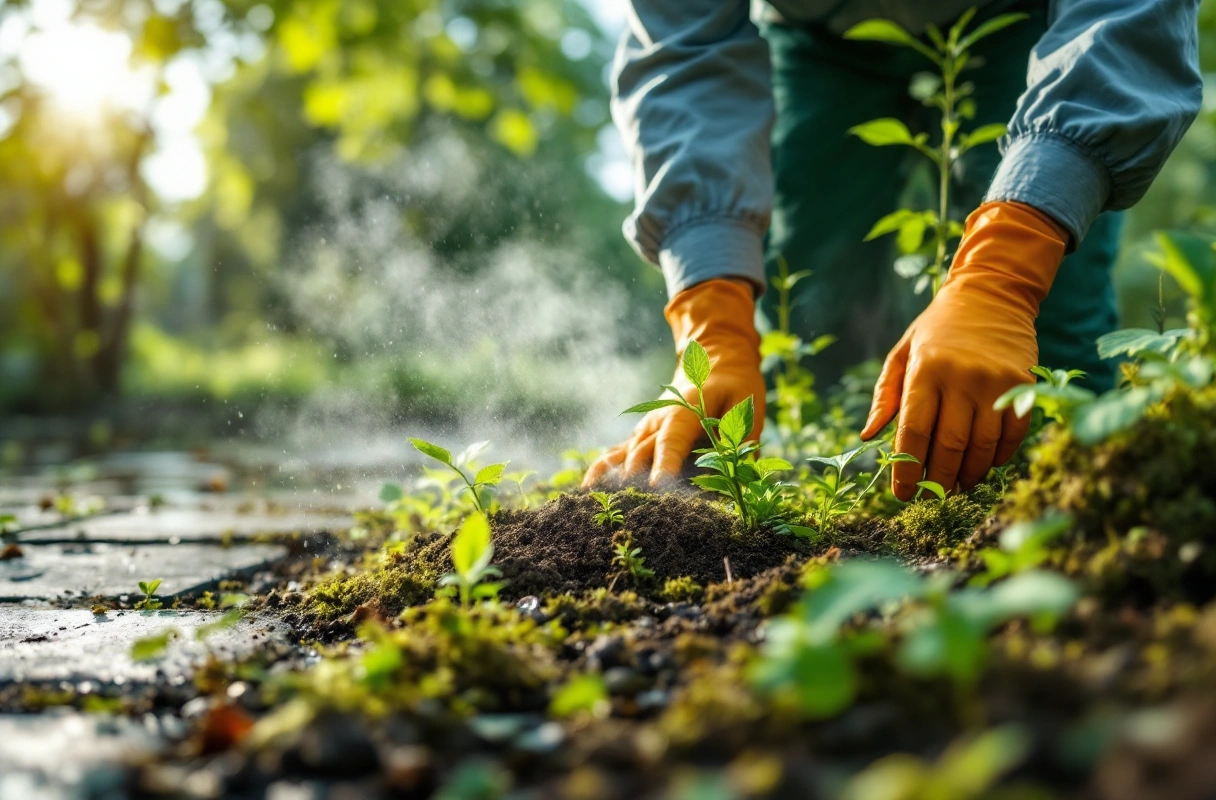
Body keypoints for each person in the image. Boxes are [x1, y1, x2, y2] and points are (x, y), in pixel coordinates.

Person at [584, 0, 1202, 500]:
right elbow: (683, 52)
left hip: (1028, 22)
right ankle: (845, 499)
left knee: (1050, 321)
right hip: (815, 29)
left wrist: (1001, 277)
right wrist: (712, 326)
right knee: (812, 301)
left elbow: (1129, 14)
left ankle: (1079, 508)